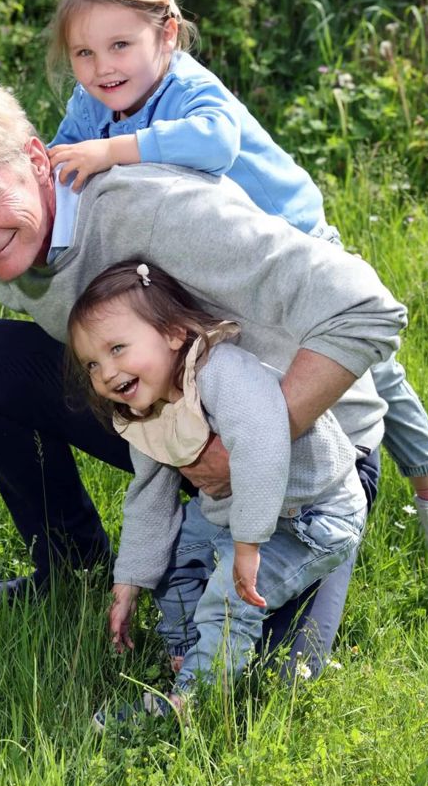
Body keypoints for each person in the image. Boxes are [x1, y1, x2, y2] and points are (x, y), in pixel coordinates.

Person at [0, 72, 405, 670]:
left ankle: (290, 546)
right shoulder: (6, 250)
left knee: (265, 682)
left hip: (310, 455)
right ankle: (71, 565)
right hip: (184, 426)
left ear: (35, 159)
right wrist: (189, 458)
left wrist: (244, 450)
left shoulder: (158, 213)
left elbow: (367, 308)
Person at [46, 0, 428, 592]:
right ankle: (262, 494)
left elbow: (215, 142)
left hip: (292, 246)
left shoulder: (185, 86)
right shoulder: (92, 107)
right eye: (84, 54)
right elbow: (64, 162)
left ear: (165, 33)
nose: (103, 68)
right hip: (217, 273)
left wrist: (115, 149)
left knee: (374, 371)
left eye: (120, 46)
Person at [67, 261, 368, 720]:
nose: (107, 372)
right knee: (170, 558)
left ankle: (195, 698)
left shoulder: (220, 372)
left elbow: (263, 444)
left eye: (117, 348)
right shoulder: (145, 410)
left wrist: (246, 545)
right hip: (230, 511)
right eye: (92, 363)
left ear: (172, 333)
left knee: (232, 595)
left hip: (313, 513)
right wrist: (127, 584)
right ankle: (190, 655)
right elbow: (149, 498)